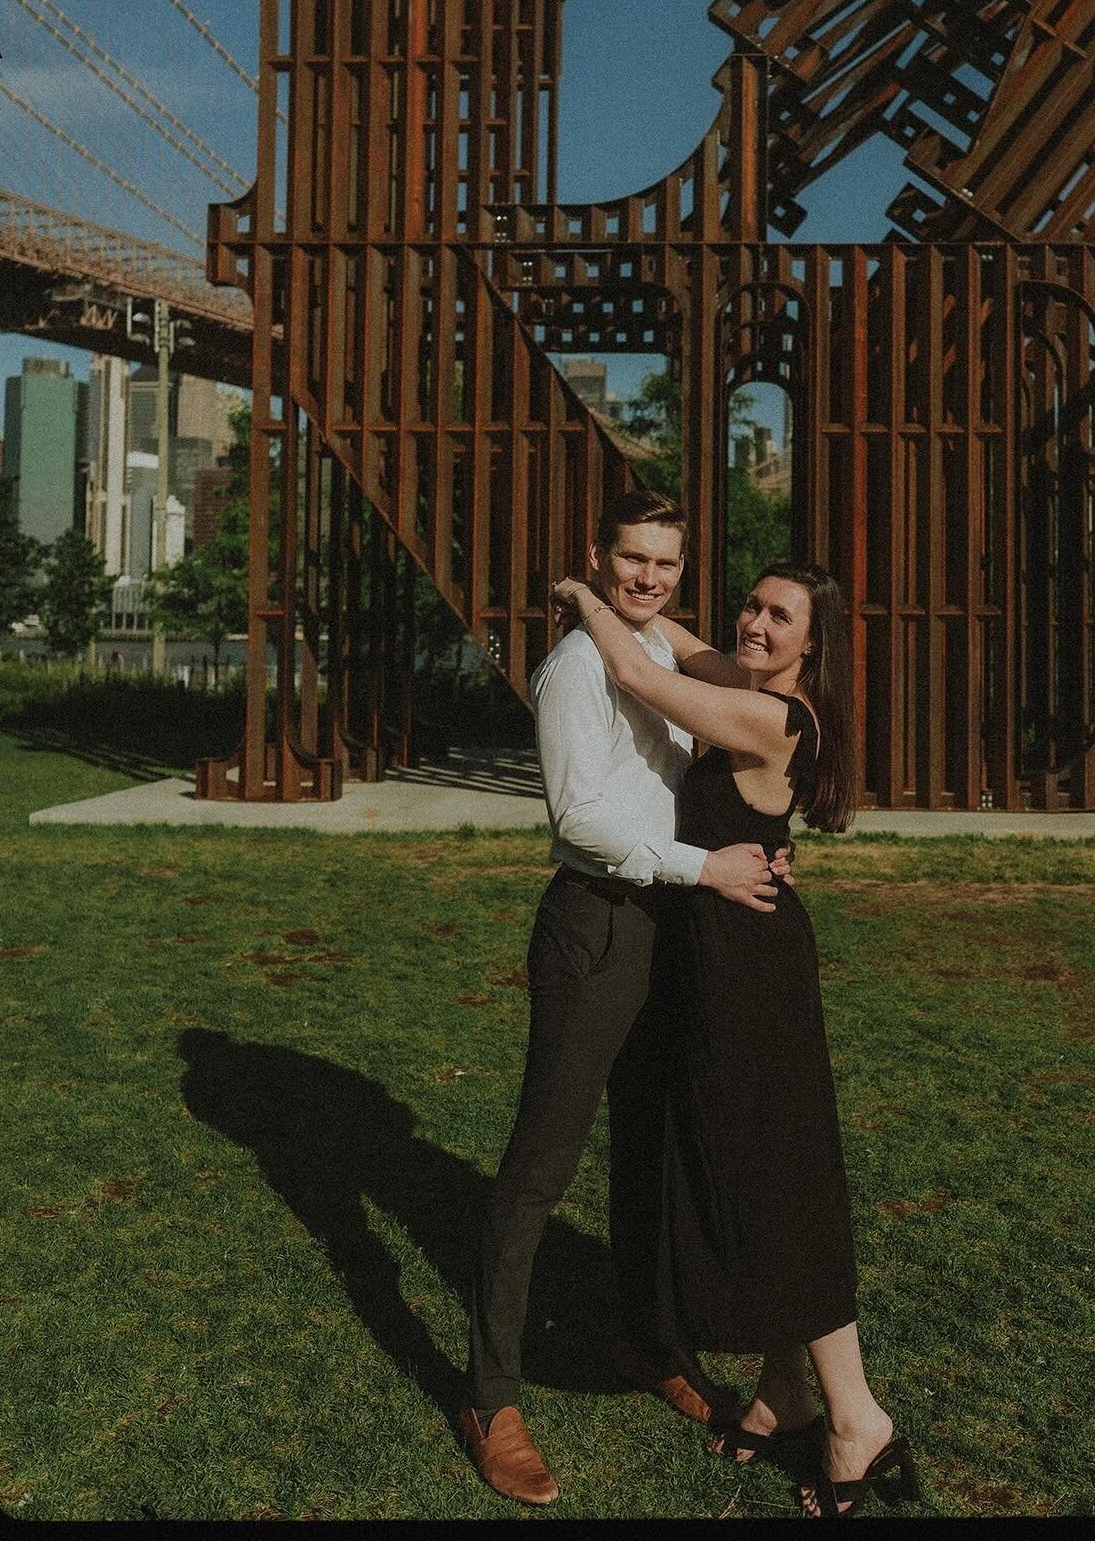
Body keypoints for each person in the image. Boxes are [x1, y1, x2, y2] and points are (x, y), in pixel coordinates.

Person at [551, 561, 920, 1518]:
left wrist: (588, 600)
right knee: (759, 1171)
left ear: (814, 644)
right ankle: (786, 1390)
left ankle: (856, 1419)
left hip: (749, 971)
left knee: (778, 1181)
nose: (754, 624)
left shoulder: (771, 720)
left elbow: (639, 676)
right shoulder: (753, 691)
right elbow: (680, 646)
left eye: (778, 616)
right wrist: (641, 596)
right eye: (752, 605)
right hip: (725, 956)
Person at [458, 489, 794, 1508]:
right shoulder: (572, 670)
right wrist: (706, 869)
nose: (647, 577)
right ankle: (490, 1397)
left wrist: (694, 886)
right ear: (597, 556)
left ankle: (648, 1343)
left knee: (650, 1151)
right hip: (598, 923)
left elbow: (699, 666)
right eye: (630, 560)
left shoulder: (652, 652)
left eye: (666, 564)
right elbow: (581, 821)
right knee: (540, 1164)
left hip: (669, 929)